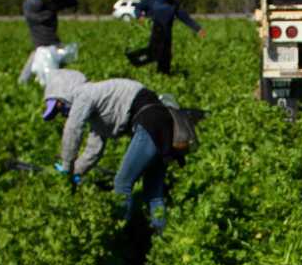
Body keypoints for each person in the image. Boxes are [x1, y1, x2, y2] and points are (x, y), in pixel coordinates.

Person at [47, 70, 198, 229]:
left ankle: (123, 231)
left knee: (122, 182)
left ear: (64, 94)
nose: (63, 114)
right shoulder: (96, 105)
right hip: (160, 122)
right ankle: (163, 236)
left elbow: (73, 129)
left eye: (60, 108)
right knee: (153, 192)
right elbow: (93, 150)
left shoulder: (84, 94)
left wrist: (66, 166)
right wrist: (75, 172)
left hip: (150, 121)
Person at [130, 0, 201, 75]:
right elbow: (138, 8)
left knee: (166, 55)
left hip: (167, 33)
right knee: (153, 53)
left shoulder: (173, 4)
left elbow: (184, 17)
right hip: (153, 30)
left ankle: (163, 75)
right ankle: (135, 65)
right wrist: (140, 16)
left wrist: (198, 29)